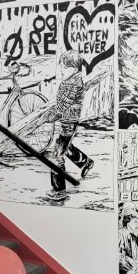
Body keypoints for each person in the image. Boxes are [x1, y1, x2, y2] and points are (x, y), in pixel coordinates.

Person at [47, 50, 94, 201]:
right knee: (66, 147)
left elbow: (65, 103)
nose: (61, 69)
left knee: (56, 156)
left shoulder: (73, 84)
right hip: (67, 122)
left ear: (73, 69)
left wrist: (54, 116)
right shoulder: (70, 80)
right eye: (61, 66)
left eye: (64, 67)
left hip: (69, 122)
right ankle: (86, 162)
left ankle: (59, 191)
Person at [119, 205, 138, 274]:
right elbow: (119, 256)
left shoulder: (137, 237)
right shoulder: (122, 234)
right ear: (127, 222)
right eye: (135, 221)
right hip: (127, 271)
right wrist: (132, 263)